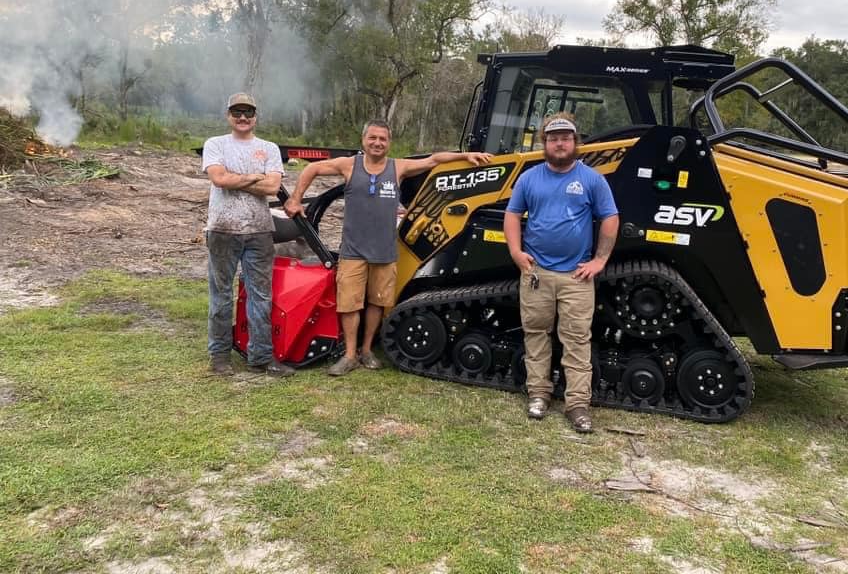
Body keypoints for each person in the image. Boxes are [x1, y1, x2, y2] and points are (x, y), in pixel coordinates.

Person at [284, 119, 492, 376]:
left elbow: (435, 160)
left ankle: (368, 350)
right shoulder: (349, 166)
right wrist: (295, 199)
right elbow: (311, 169)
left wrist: (466, 155)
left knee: (377, 303)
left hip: (384, 252)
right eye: (372, 138)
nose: (377, 143)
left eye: (382, 139)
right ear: (364, 140)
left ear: (388, 143)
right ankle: (350, 355)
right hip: (353, 251)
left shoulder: (398, 167)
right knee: (349, 304)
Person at [504, 113, 619, 433]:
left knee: (577, 340)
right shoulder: (529, 178)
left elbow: (610, 218)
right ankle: (539, 395)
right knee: (536, 336)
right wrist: (516, 252)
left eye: (565, 137)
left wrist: (600, 260)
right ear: (545, 143)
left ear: (574, 142)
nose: (559, 143)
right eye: (553, 138)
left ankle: (578, 404)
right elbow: (512, 214)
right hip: (536, 272)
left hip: (576, 277)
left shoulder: (593, 179)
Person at [202, 92, 294, 378]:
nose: (243, 117)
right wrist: (256, 176)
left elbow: (271, 188)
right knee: (221, 297)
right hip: (222, 230)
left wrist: (237, 179)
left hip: (259, 232)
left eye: (248, 112)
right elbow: (218, 178)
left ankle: (261, 358)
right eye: (237, 111)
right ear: (229, 115)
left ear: (256, 116)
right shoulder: (215, 144)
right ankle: (219, 357)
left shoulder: (268, 148)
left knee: (261, 298)